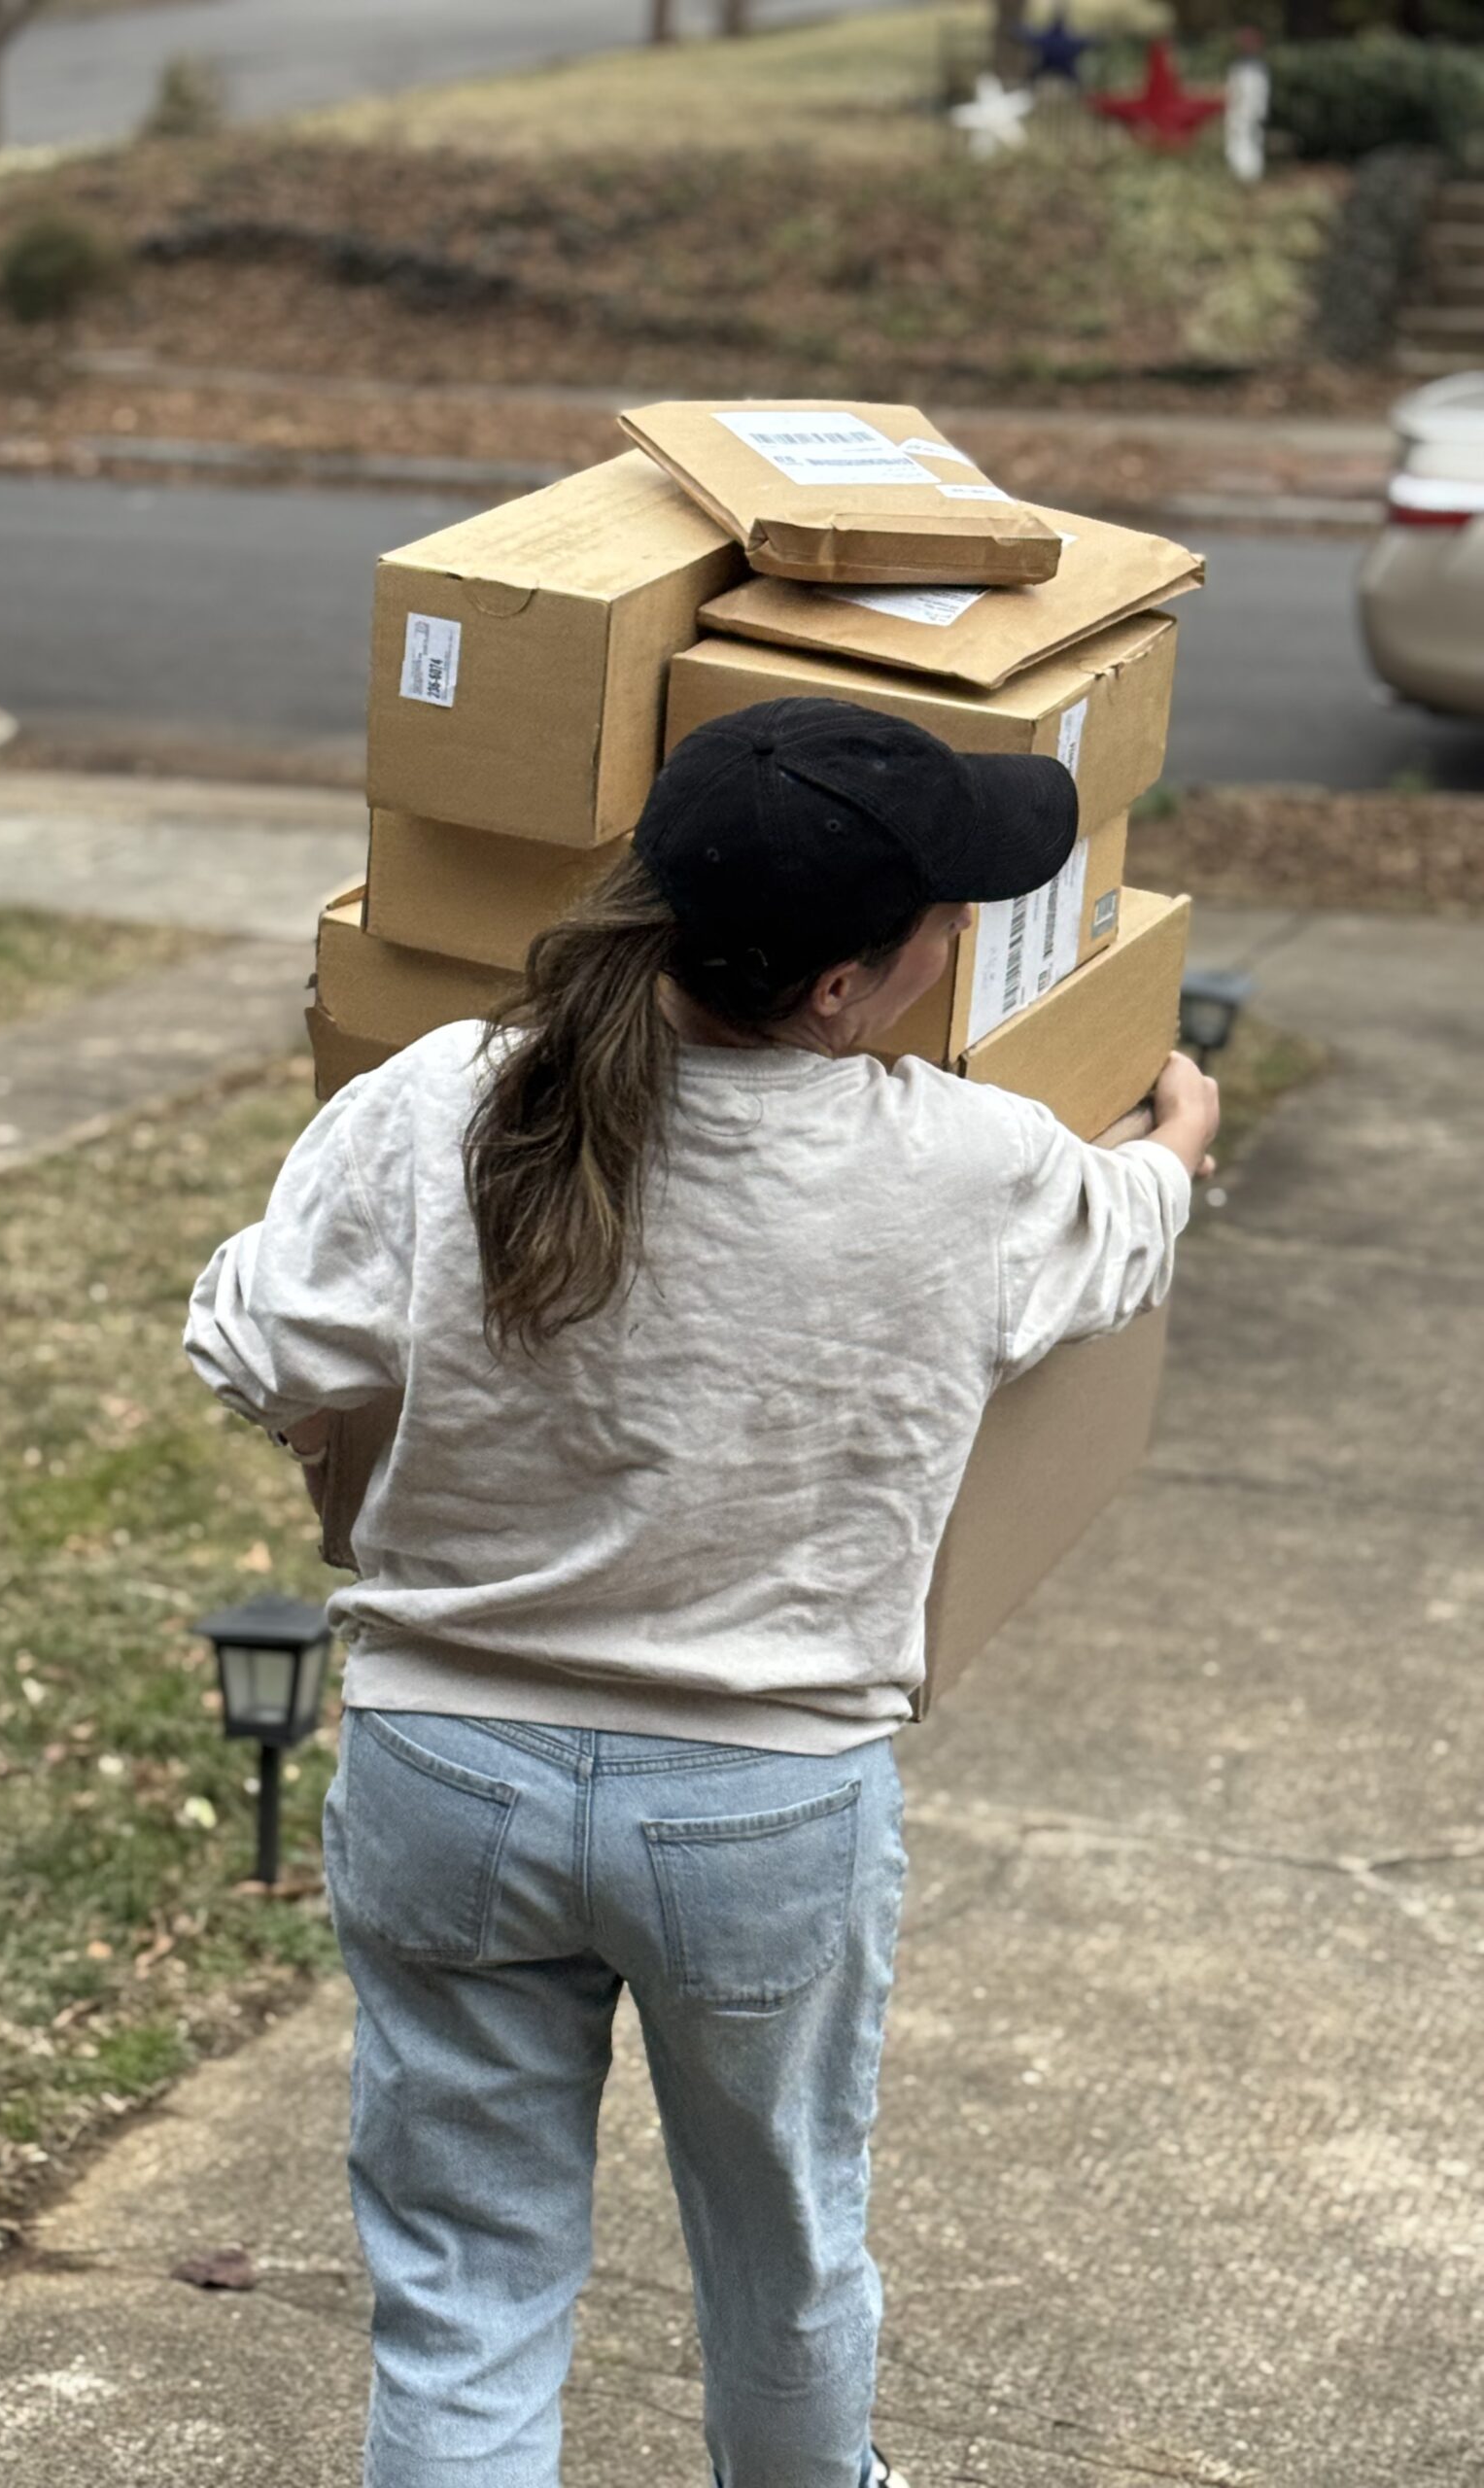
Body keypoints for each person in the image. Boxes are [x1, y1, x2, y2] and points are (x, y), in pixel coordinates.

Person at [184, 700, 1220, 2488]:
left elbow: (242, 1337)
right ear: (840, 989)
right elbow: (1126, 1229)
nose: (958, 940)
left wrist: (334, 1420)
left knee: (465, 2290)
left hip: (449, 1779)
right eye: (936, 919)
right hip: (762, 1808)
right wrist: (1182, 1133)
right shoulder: (964, 1171)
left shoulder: (450, 1098)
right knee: (786, 2258)